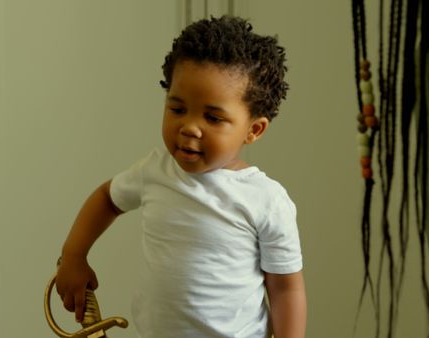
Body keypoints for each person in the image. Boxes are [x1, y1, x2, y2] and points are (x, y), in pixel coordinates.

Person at [56, 16, 306, 338]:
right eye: (177, 109)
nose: (189, 126)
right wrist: (74, 255)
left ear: (253, 130)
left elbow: (286, 290)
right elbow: (107, 198)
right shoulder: (154, 171)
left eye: (213, 117)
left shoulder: (266, 200)